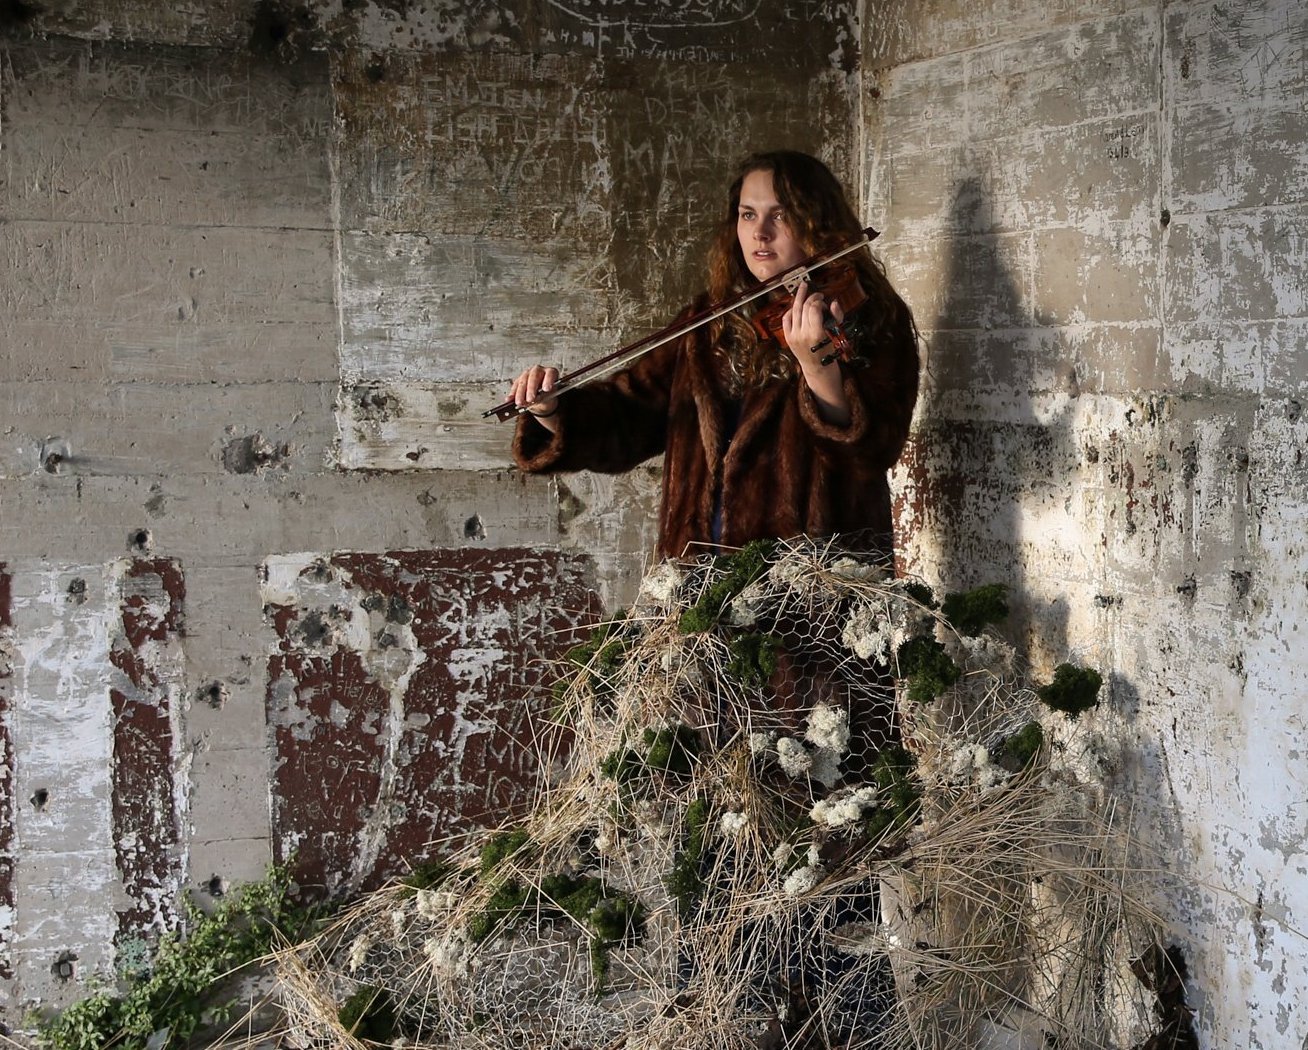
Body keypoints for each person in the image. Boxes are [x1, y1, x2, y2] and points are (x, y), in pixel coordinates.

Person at [507, 149, 919, 563]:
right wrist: (553, 411)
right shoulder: (709, 320)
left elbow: (872, 455)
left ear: (818, 222)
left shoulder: (869, 317)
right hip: (701, 577)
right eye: (747, 214)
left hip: (812, 583)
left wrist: (818, 370)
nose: (760, 233)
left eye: (780, 215)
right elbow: (630, 413)